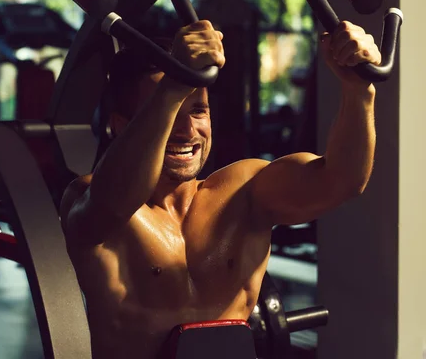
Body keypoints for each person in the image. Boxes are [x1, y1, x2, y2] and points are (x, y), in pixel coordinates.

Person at [60, 19, 381, 359]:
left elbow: (342, 179)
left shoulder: (244, 193)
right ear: (120, 125)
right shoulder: (91, 198)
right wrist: (173, 87)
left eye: (197, 110)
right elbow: (111, 203)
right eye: (169, 112)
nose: (186, 131)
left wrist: (359, 91)